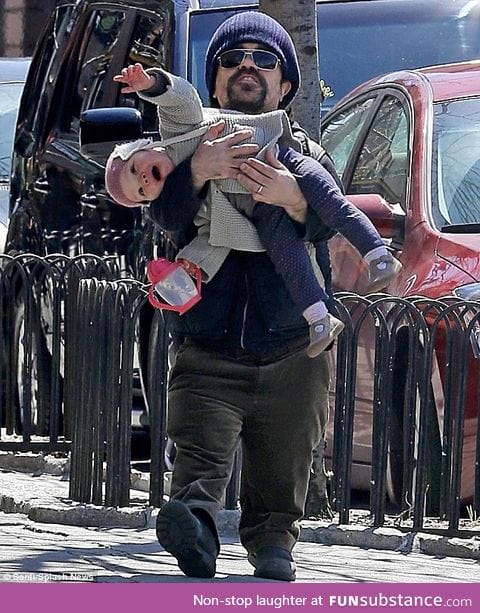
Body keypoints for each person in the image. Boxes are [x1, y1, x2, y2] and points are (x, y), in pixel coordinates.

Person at [139, 11, 398, 582]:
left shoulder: (308, 152)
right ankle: (197, 530)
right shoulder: (186, 146)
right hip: (207, 344)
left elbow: (333, 219)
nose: (247, 67)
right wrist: (198, 171)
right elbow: (162, 214)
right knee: (199, 460)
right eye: (232, 59)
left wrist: (294, 200)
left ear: (285, 86)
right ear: (213, 82)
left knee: (284, 465)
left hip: (292, 349)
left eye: (264, 60)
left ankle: (273, 541)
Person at [105, 64, 401, 356]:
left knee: (331, 203)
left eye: (134, 169)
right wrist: (191, 266)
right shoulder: (183, 202)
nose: (143, 179)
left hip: (277, 155)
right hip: (259, 215)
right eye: (141, 192)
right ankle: (319, 319)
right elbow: (211, 236)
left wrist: (150, 84)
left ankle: (378, 255)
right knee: (289, 256)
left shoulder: (179, 132)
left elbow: (181, 99)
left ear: (145, 147)